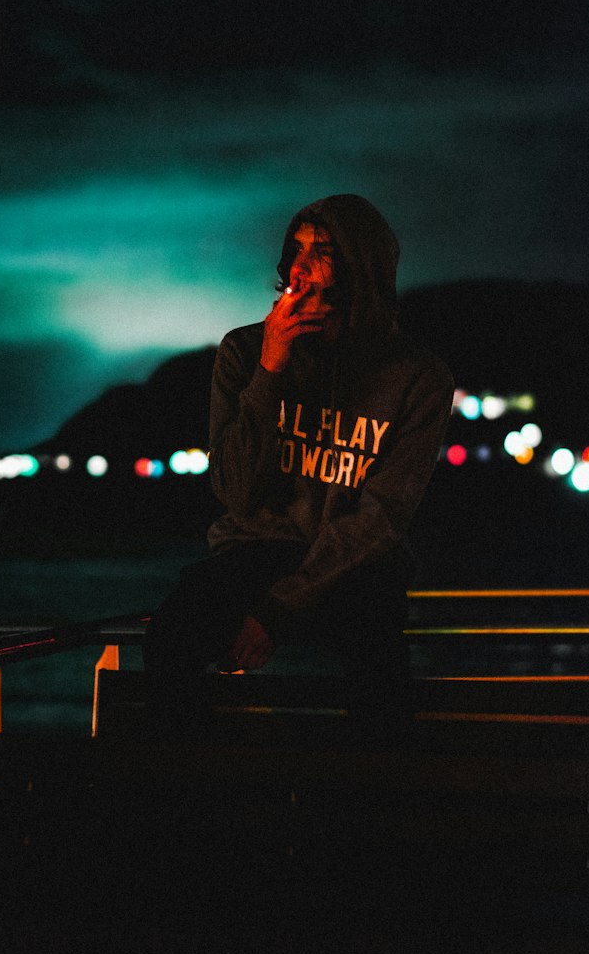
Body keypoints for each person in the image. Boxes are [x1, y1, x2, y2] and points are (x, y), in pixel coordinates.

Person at [143, 193, 455, 738]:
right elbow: (235, 493)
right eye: (296, 250)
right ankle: (188, 802)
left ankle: (378, 808)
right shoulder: (245, 351)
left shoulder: (418, 378)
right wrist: (272, 370)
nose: (299, 267)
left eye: (324, 252)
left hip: (356, 562)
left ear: (362, 265)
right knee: (170, 638)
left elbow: (381, 518)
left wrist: (278, 610)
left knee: (378, 658)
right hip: (256, 548)